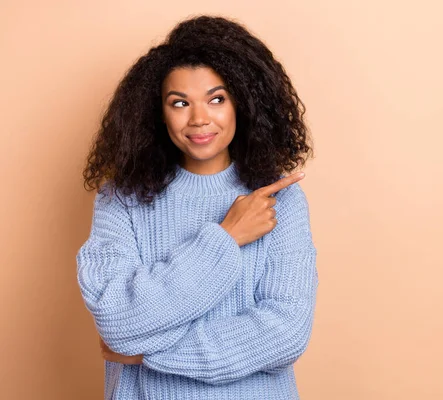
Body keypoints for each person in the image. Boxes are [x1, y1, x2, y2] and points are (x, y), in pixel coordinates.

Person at [76, 15, 318, 400]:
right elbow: (117, 320)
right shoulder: (119, 198)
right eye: (179, 103)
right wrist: (226, 238)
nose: (199, 118)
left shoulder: (278, 199)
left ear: (243, 103)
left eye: (216, 99)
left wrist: (147, 353)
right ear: (158, 112)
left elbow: (285, 333)